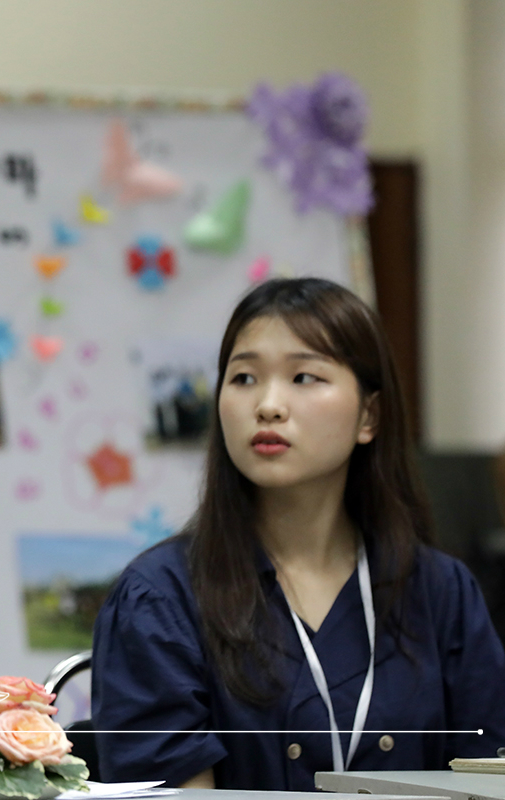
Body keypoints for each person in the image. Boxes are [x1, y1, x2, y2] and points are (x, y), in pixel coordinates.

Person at [91, 278, 505, 790]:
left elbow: (488, 773)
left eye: (304, 377)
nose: (268, 405)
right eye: (243, 378)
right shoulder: (159, 597)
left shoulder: (440, 590)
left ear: (368, 415)